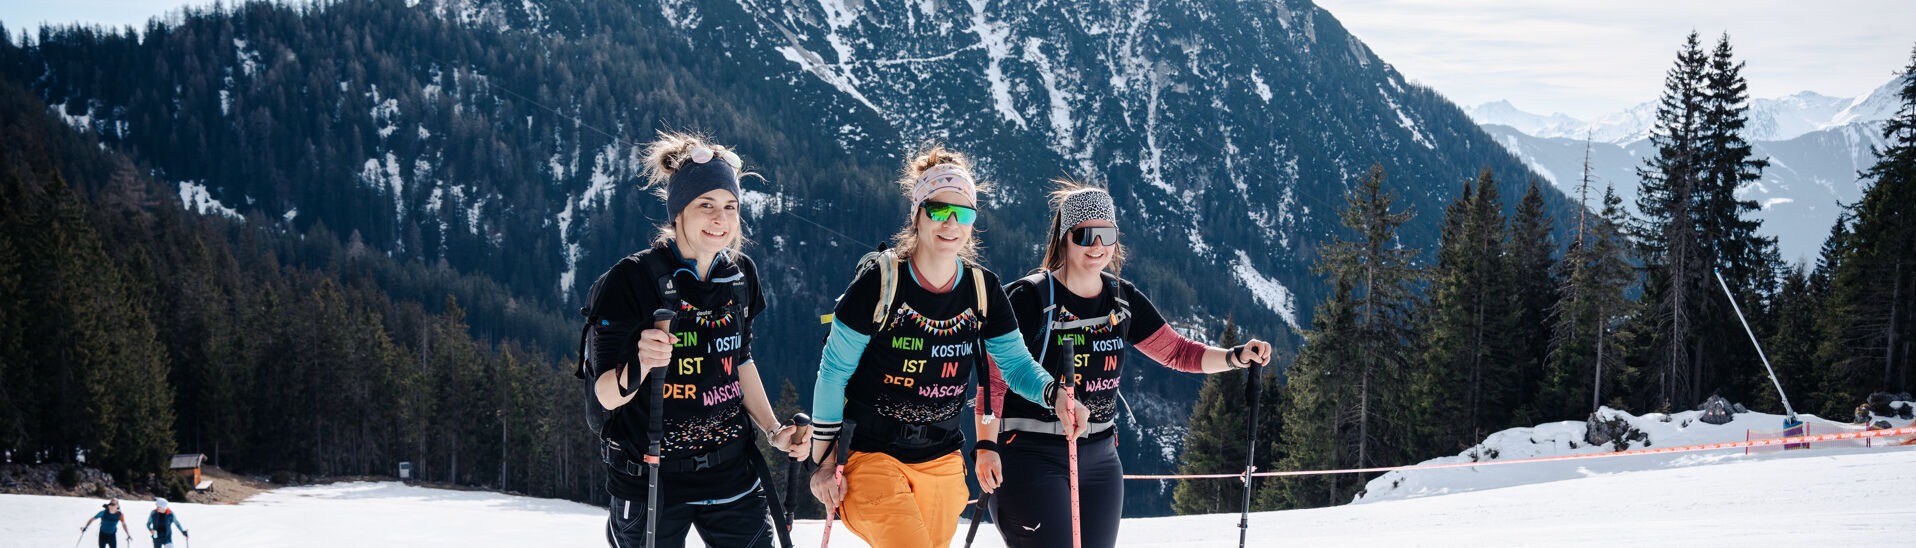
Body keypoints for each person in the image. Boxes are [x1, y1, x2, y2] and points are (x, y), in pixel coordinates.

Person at [808, 146, 1089, 548]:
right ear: (917, 214)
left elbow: (1015, 364)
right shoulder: (880, 283)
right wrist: (823, 461)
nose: (952, 223)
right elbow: (834, 372)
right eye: (940, 210)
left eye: (965, 214)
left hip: (940, 458)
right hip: (871, 454)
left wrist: (1056, 396)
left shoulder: (982, 288)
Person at [977, 183, 1273, 548]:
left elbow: (1177, 352)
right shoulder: (1030, 297)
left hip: (1100, 459)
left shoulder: (1122, 299)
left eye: (1107, 234)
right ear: (1065, 237)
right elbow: (993, 379)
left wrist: (1234, 357)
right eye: (1085, 234)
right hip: (1030, 453)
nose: (1097, 246)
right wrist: (986, 446)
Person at [584, 131, 809, 547]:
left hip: (731, 471)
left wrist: (774, 429)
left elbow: (739, 362)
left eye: (729, 207)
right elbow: (605, 396)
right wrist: (640, 363)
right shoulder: (631, 279)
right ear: (678, 212)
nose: (719, 219)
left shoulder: (740, 277)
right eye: (705, 205)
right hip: (652, 478)